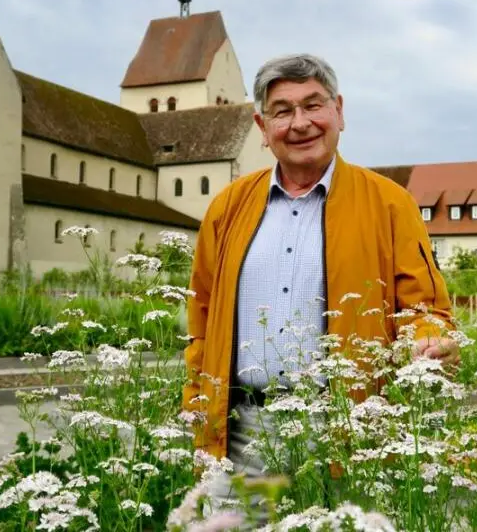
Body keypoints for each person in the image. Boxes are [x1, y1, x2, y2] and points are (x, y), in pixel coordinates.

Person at [182, 53, 459, 514]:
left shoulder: (391, 204)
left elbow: (425, 307)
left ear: (339, 112)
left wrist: (431, 341)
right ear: (262, 126)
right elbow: (201, 317)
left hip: (349, 429)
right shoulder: (227, 206)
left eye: (314, 105)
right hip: (245, 427)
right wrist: (196, 406)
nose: (300, 123)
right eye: (283, 111)